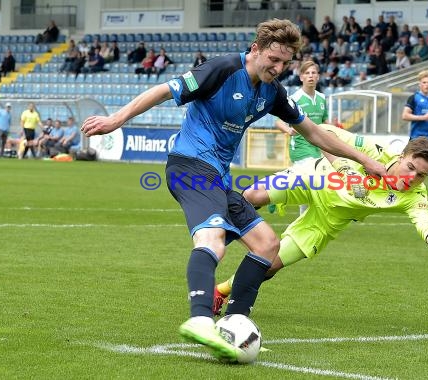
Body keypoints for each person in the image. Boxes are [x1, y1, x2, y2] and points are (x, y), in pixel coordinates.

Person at [80, 18, 387, 362]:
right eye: (273, 59)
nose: (278, 67)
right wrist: (116, 119)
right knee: (212, 240)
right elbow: (165, 90)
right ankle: (199, 319)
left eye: (285, 63)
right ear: (255, 49)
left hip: (218, 177)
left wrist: (366, 161)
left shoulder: (273, 92)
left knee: (267, 244)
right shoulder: (223, 68)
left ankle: (235, 321)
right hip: (190, 166)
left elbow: (314, 133)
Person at [213, 125, 428, 315]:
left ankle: (222, 290)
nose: (412, 177)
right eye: (410, 167)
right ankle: (215, 239)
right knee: (251, 194)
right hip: (313, 178)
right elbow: (325, 134)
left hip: (328, 220)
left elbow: (427, 225)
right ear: (401, 157)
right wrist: (343, 167)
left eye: (421, 175)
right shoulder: (377, 152)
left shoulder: (414, 196)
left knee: (270, 265)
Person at [272, 60, 328, 215]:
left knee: (310, 187)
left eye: (313, 73)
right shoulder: (295, 98)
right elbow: (278, 121)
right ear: (301, 77)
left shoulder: (322, 98)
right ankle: (279, 189)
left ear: (318, 76)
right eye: (307, 73)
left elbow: (325, 123)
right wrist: (288, 130)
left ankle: (279, 191)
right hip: (301, 148)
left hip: (319, 148)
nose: (310, 76)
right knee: (313, 182)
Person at [402, 70, 428, 210]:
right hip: (416, 139)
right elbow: (405, 115)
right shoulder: (413, 98)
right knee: (409, 167)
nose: (427, 85)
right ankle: (401, 194)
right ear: (419, 84)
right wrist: (421, 118)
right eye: (424, 82)